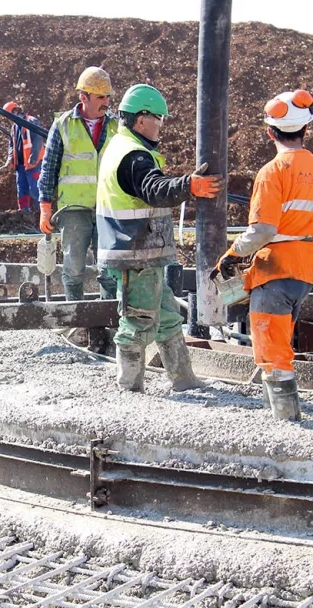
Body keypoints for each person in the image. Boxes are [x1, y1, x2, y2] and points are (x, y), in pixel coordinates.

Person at [95, 83, 223, 392]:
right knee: (137, 322)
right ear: (141, 120)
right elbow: (153, 189)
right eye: (158, 119)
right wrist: (187, 187)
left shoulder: (119, 145)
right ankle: (129, 385)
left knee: (167, 316)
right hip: (133, 253)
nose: (160, 126)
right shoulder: (134, 156)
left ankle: (183, 378)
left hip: (140, 253)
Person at [212, 89, 313, 420]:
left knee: (272, 351)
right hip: (304, 272)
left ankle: (286, 421)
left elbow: (263, 231)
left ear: (271, 132)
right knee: (281, 341)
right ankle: (283, 414)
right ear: (305, 130)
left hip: (275, 271)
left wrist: (231, 253)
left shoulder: (273, 172)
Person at [37, 66, 119, 302]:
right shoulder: (63, 125)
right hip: (73, 210)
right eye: (101, 97)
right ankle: (77, 321)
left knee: (110, 270)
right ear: (83, 97)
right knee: (73, 269)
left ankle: (110, 322)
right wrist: (45, 209)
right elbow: (49, 168)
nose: (106, 102)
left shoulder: (117, 126)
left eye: (108, 97)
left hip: (107, 209)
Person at [3, 101, 45, 211]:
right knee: (22, 190)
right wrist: (10, 158)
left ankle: (40, 214)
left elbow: (38, 139)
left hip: (33, 164)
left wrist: (33, 158)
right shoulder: (14, 127)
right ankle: (23, 213)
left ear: (15, 111)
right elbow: (12, 144)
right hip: (20, 164)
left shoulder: (31, 121)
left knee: (36, 190)